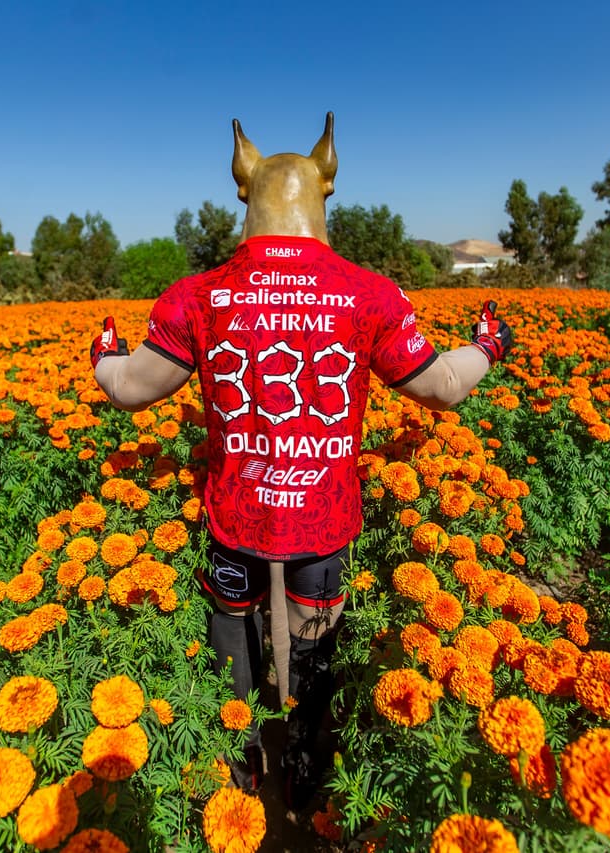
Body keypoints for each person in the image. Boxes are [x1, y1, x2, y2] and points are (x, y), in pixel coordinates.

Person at [91, 113, 513, 809]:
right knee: (318, 640)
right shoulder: (367, 292)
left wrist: (103, 355)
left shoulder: (197, 296)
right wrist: (488, 344)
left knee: (234, 630)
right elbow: (442, 388)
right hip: (323, 515)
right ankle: (309, 763)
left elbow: (132, 390)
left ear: (244, 187)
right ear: (326, 186)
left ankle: (240, 762)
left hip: (237, 512)